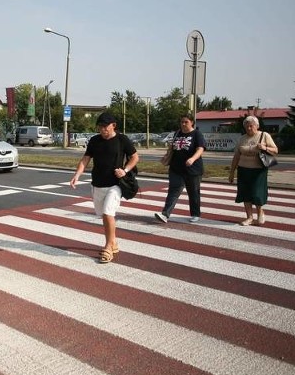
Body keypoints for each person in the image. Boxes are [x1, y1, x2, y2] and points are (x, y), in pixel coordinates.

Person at [70, 112, 139, 264]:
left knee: (108, 213)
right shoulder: (94, 141)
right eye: (100, 127)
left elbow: (135, 157)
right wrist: (77, 175)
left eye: (105, 126)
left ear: (113, 125)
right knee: (104, 215)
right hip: (98, 183)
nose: (102, 129)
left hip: (115, 184)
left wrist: (125, 170)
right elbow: (86, 159)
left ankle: (108, 247)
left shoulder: (122, 139)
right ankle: (113, 242)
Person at [155, 114, 206, 223]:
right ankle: (165, 214)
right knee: (173, 191)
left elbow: (200, 149)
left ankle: (195, 214)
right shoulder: (177, 133)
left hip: (193, 169)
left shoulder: (197, 134)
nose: (183, 124)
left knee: (193, 192)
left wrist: (192, 159)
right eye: (182, 122)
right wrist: (166, 156)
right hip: (176, 169)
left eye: (186, 122)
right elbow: (172, 149)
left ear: (192, 122)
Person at [228, 115, 278, 225]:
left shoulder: (264, 135)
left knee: (257, 193)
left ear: (257, 126)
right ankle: (249, 217)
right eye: (247, 126)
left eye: (251, 126)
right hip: (243, 169)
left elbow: (275, 150)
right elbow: (236, 156)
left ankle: (260, 212)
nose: (249, 128)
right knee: (245, 193)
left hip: (258, 170)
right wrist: (232, 172)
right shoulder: (242, 138)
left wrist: (264, 148)